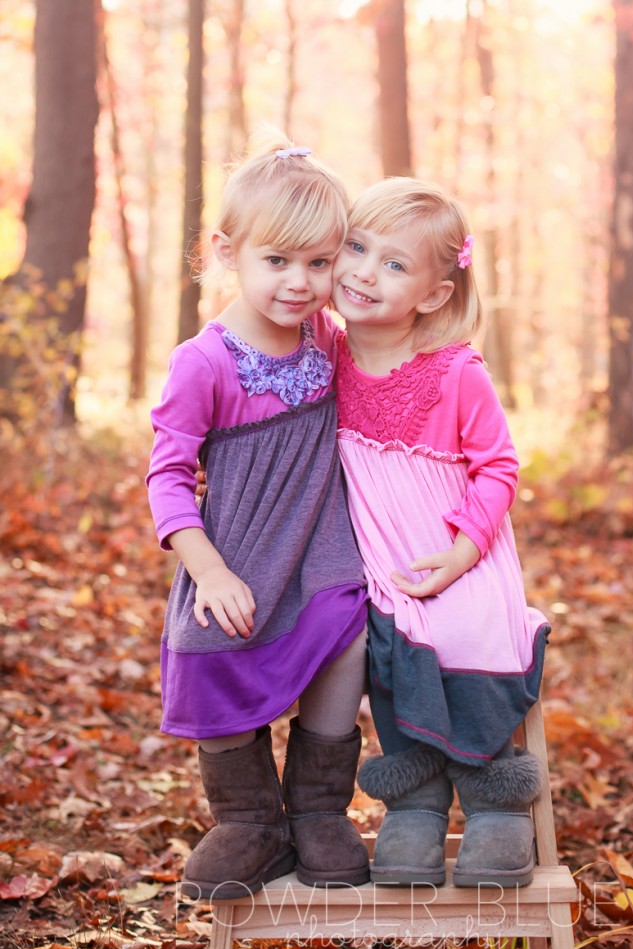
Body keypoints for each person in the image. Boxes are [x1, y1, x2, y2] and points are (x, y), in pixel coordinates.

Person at [146, 130, 370, 900]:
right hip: (237, 551)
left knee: (347, 633)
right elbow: (169, 476)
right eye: (277, 261)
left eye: (319, 262)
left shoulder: (327, 339)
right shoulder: (203, 362)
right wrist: (207, 570)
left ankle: (316, 811)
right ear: (226, 250)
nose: (299, 283)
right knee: (208, 645)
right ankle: (251, 822)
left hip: (320, 545)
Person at [331, 177, 551, 888]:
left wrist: (461, 553)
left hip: (458, 551)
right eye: (356, 248)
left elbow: (498, 468)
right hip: (378, 556)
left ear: (432, 294)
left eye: (393, 264)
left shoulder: (456, 372)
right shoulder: (324, 353)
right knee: (383, 647)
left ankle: (494, 802)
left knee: (467, 630)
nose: (365, 271)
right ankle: (416, 804)